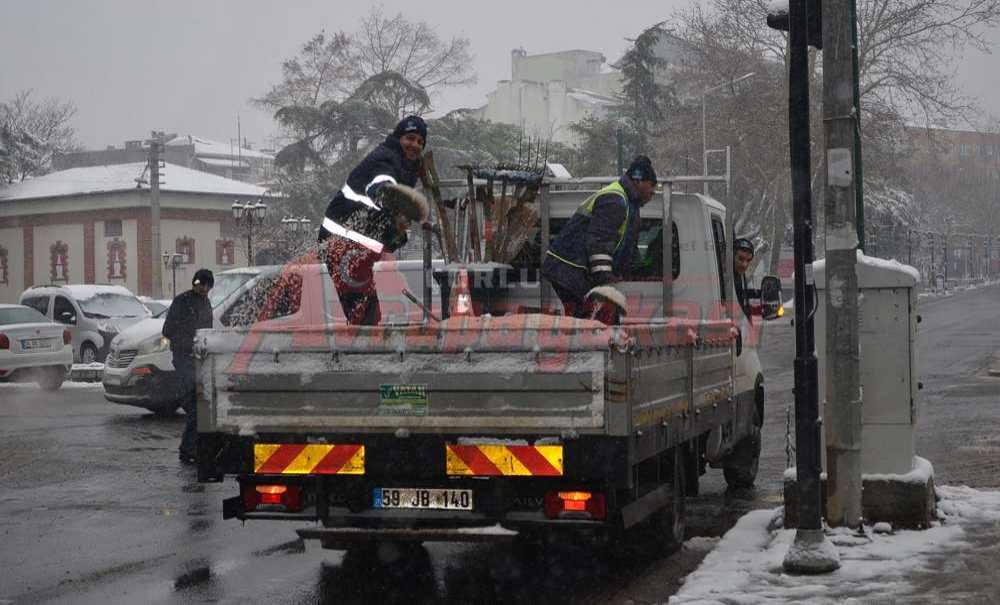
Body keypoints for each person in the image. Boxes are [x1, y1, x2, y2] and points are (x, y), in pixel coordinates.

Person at [318, 115, 428, 325]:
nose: (414, 145)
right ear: (398, 138)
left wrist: (397, 233)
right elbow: (380, 186)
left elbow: (383, 223)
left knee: (368, 316)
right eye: (410, 138)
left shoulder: (406, 169)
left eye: (420, 142)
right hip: (342, 246)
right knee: (364, 317)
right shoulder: (386, 158)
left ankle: (364, 348)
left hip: (358, 248)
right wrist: (391, 198)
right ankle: (361, 353)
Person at [541, 155, 658, 323]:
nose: (653, 191)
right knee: (598, 320)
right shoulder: (615, 200)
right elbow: (598, 242)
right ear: (639, 181)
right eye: (652, 185)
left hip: (573, 268)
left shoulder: (627, 203)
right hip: (571, 269)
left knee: (598, 319)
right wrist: (604, 280)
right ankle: (590, 346)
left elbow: (625, 246)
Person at [163, 269, 214, 464]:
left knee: (200, 405)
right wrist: (187, 340)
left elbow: (207, 330)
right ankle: (188, 449)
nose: (204, 289)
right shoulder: (182, 301)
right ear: (195, 283)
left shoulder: (205, 303)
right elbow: (167, 330)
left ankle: (193, 447)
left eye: (208, 286)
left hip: (198, 359)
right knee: (194, 405)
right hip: (184, 358)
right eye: (201, 285)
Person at [733, 237, 756, 319]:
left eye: (748, 260)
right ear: (731, 257)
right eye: (741, 259)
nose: (744, 265)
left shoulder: (740, 278)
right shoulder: (728, 280)